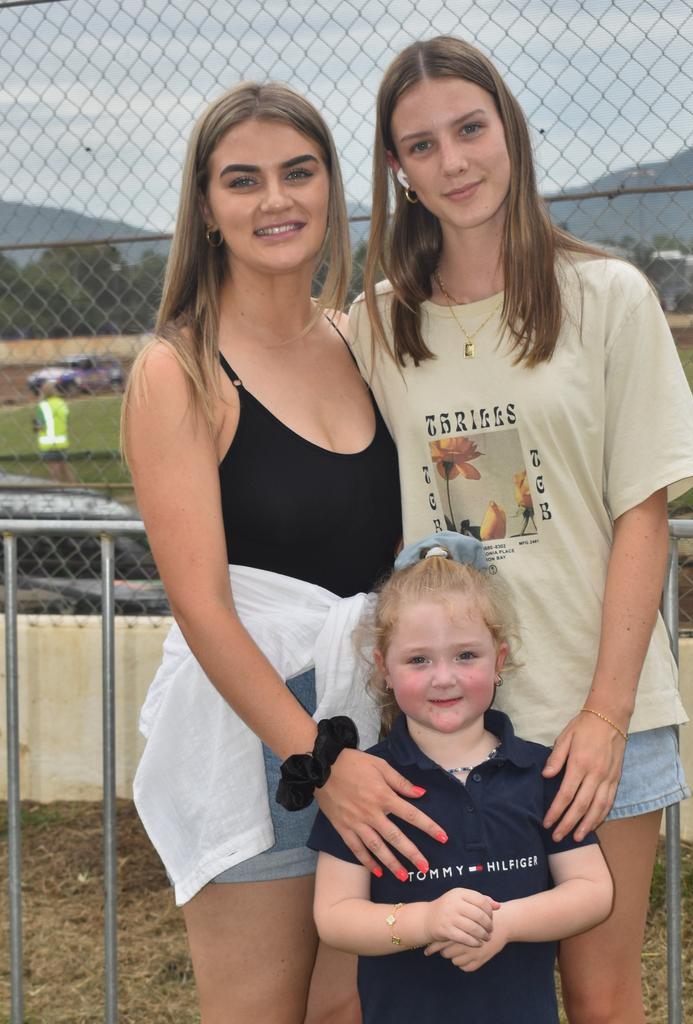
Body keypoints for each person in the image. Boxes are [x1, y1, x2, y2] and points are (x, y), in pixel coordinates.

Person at [348, 37, 693, 1024]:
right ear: (397, 168)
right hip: (446, 725)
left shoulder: (608, 297)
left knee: (600, 995)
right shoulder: (378, 327)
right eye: (421, 145)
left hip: (598, 718)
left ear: (510, 129)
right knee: (456, 991)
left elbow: (643, 514)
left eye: (471, 128)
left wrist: (601, 716)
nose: (455, 161)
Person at [122, 81, 446, 1024]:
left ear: (332, 187)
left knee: (349, 1010)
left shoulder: (354, 341)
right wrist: (318, 760)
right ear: (207, 208)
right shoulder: (177, 370)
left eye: (298, 173)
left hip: (366, 714)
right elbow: (203, 607)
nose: (276, 201)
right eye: (244, 181)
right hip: (258, 732)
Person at [309, 536, 614, 1023]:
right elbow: (335, 915)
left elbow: (593, 891)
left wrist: (506, 924)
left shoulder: (542, 772)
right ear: (383, 668)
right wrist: (424, 921)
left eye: (466, 656)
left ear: (500, 659)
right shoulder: (365, 785)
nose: (444, 678)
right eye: (418, 660)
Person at [34, 380, 76, 483]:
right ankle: (75, 487)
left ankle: (56, 490)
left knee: (54, 471)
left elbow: (39, 426)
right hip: (62, 442)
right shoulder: (61, 403)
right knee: (64, 469)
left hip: (48, 443)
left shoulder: (42, 406)